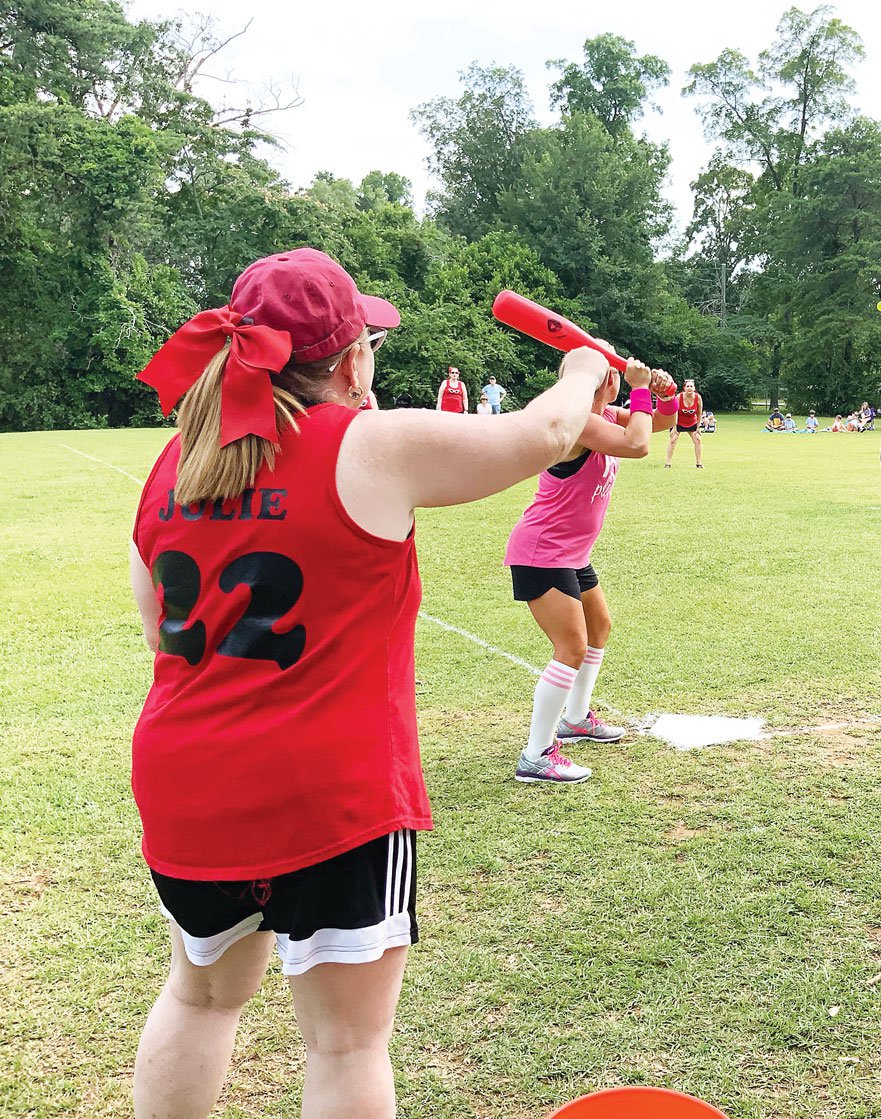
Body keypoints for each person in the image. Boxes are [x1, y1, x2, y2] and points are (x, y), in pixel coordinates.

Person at [127, 247, 610, 1119]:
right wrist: (581, 367)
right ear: (351, 360)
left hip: (188, 783)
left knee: (198, 998)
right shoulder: (368, 443)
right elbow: (543, 434)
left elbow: (160, 635)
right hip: (332, 796)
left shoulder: (175, 465)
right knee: (346, 1046)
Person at [505, 354, 678, 784]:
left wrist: (667, 395)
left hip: (571, 553)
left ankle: (577, 719)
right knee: (572, 646)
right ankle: (536, 754)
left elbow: (653, 424)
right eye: (614, 374)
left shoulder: (603, 414)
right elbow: (637, 445)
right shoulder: (580, 423)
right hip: (542, 552)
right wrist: (640, 388)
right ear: (603, 382)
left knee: (598, 628)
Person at [666, 378, 705, 467]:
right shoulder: (679, 397)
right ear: (684, 388)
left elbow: (699, 413)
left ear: (694, 388)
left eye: (691, 386)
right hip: (678, 422)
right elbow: (674, 412)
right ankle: (668, 463)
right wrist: (674, 427)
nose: (689, 388)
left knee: (698, 440)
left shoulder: (698, 397)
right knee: (673, 440)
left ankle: (699, 463)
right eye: (687, 386)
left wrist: (698, 427)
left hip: (692, 422)